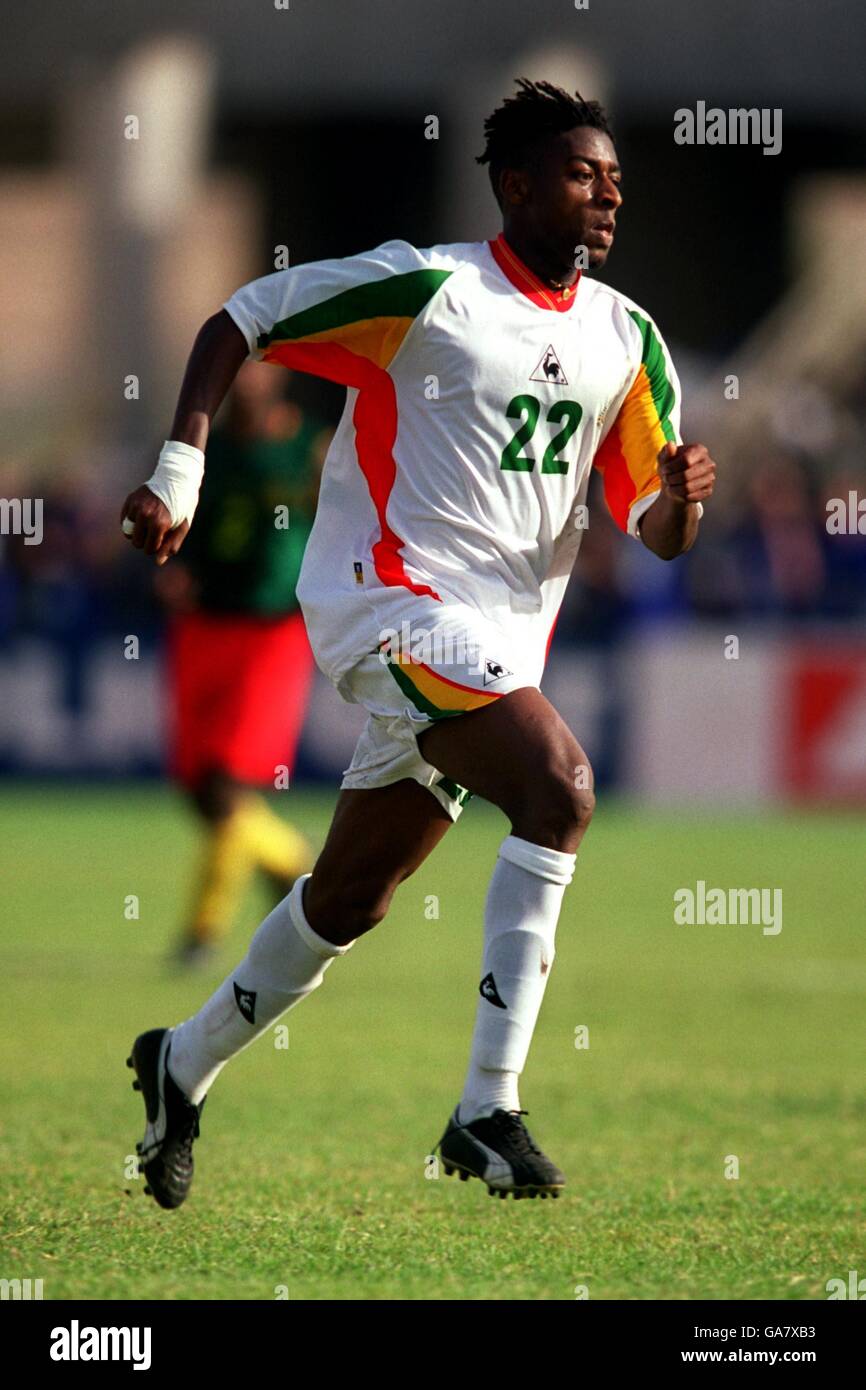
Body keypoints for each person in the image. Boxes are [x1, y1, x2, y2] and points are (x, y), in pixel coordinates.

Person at [121, 79, 716, 1207]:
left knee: (349, 896)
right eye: (585, 174)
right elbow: (240, 317)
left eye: (617, 177)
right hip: (384, 603)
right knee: (559, 788)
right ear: (516, 183)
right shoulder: (429, 286)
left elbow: (657, 530)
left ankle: (179, 1064)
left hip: (494, 642)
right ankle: (484, 1110)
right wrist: (178, 472)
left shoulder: (625, 337)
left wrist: (683, 494)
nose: (610, 193)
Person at [154, 363, 327, 965]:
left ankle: (201, 934)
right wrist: (168, 569)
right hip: (202, 626)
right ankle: (289, 860)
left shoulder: (312, 448)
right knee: (199, 789)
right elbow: (172, 525)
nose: (249, 374)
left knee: (228, 785)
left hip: (271, 630)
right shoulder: (203, 448)